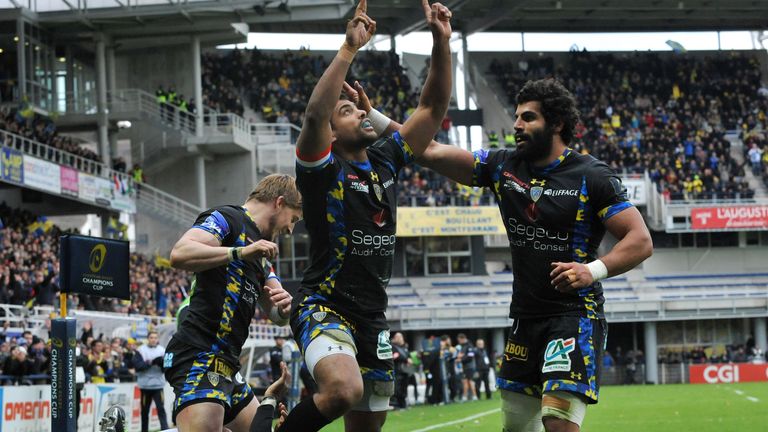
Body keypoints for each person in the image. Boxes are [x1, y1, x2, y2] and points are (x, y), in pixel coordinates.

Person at [353, 78, 653, 431]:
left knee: (558, 420)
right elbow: (429, 150)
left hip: (573, 315)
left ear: (557, 124)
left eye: (528, 118)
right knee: (517, 427)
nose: (516, 126)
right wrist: (372, 115)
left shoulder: (592, 176)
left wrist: (593, 270)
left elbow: (640, 239)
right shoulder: (503, 166)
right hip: (525, 320)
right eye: (516, 117)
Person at [280, 1, 453, 431]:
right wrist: (348, 49)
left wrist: (441, 42)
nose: (360, 110)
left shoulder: (385, 162)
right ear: (331, 135)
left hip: (373, 316)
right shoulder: (321, 169)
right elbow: (316, 113)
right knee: (343, 390)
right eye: (348, 111)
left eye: (358, 108)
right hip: (323, 305)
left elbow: (430, 111)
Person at [164, 173, 301, 432]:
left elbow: (276, 314)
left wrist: (284, 309)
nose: (291, 229)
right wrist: (241, 252)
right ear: (280, 202)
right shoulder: (227, 219)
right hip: (198, 353)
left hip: (228, 363)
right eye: (293, 219)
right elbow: (179, 253)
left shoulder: (262, 254)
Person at [134, 332, 169, 432]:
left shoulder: (162, 350)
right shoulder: (140, 350)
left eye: (155, 337)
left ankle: (165, 430)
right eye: (151, 337)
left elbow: (168, 366)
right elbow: (137, 366)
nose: (153, 339)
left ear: (157, 339)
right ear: (147, 338)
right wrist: (152, 362)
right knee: (144, 412)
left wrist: (162, 365)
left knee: (161, 410)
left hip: (158, 385)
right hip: (145, 386)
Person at [390, 332, 410, 409]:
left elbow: (407, 356)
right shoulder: (392, 347)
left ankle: (403, 404)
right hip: (397, 370)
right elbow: (397, 356)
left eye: (401, 337)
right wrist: (405, 359)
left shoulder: (404, 347)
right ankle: (397, 404)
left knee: (404, 388)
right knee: (397, 388)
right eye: (398, 337)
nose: (400, 339)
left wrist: (408, 359)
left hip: (404, 370)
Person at [456, 333, 477, 401]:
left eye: (459, 340)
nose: (459, 341)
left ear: (462, 339)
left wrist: (461, 359)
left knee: (468, 381)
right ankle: (470, 396)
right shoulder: (463, 346)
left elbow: (470, 356)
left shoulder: (469, 345)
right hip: (466, 367)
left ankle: (468, 396)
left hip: (469, 367)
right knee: (467, 381)